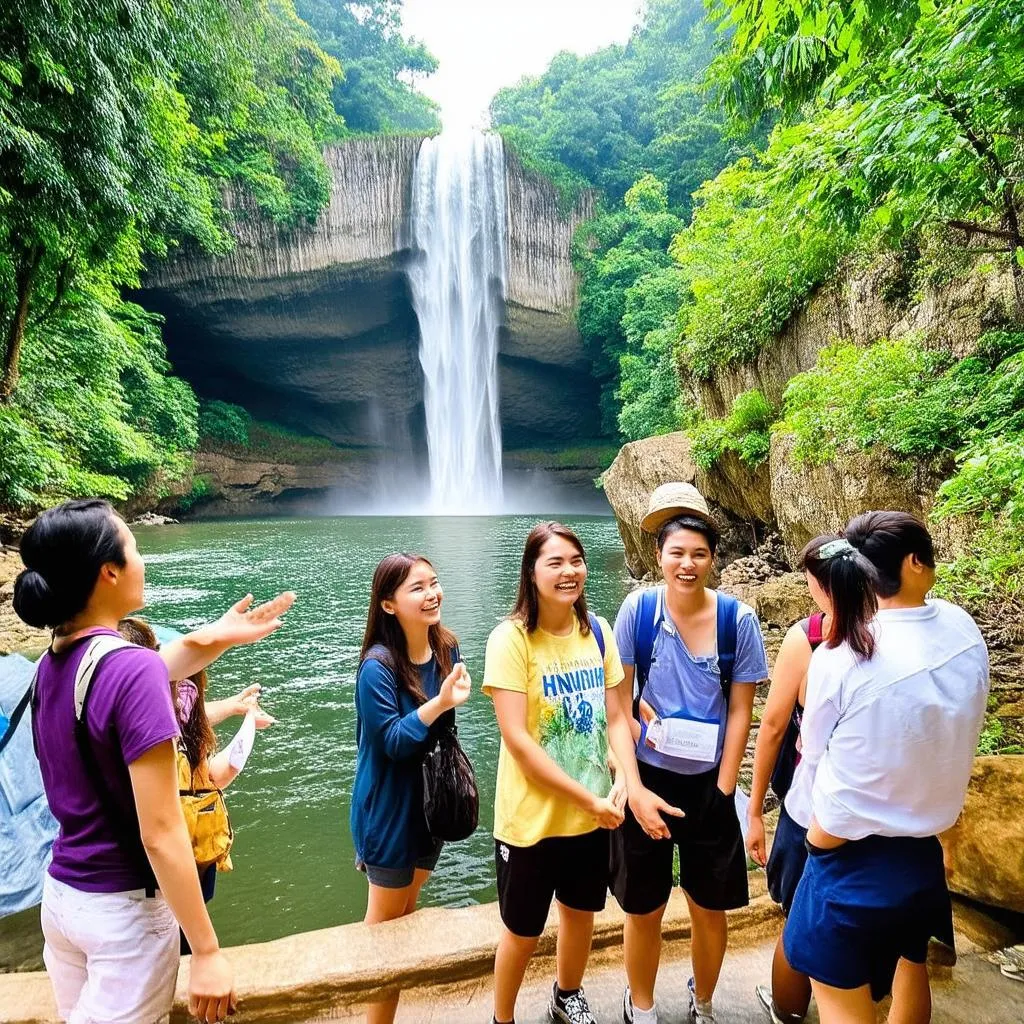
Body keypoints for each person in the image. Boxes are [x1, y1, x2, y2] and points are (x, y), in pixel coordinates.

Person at [12, 498, 293, 1024]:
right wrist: (206, 950)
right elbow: (160, 831)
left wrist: (214, 635)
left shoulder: (54, 661)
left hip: (65, 899)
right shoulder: (130, 668)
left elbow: (148, 669)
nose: (142, 559)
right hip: (124, 915)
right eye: (135, 547)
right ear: (109, 571)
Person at [783, 511, 990, 1024]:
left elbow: (813, 747)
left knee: (840, 1001)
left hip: (844, 860)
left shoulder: (843, 654)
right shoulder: (962, 628)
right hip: (921, 856)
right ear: (916, 563)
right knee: (909, 966)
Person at [484, 521, 677, 1024]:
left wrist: (622, 778)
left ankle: (566, 993)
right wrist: (588, 799)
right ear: (531, 572)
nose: (569, 572)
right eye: (555, 562)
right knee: (522, 929)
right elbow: (519, 741)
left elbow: (616, 718)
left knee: (580, 912)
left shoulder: (599, 632)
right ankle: (501, 1016)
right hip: (531, 819)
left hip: (594, 815)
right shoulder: (510, 640)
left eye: (576, 560)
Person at [611, 483, 769, 1024]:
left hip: (710, 784)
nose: (687, 563)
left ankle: (702, 1002)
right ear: (657, 557)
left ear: (713, 560)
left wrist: (724, 792)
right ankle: (643, 1005)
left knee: (709, 907)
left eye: (699, 554)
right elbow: (619, 707)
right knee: (645, 907)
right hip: (649, 776)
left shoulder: (738, 621)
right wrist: (633, 789)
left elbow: (743, 710)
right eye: (676, 553)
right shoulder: (637, 610)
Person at [745, 535, 878, 1024]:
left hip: (814, 812)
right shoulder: (891, 634)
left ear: (820, 588)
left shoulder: (812, 641)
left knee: (797, 921)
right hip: (877, 811)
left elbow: (778, 728)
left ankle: (789, 1012)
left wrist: (755, 809)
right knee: (855, 914)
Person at [351, 552, 472, 1024]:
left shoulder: (448, 648)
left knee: (406, 915)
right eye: (417, 588)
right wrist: (439, 703)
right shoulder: (376, 668)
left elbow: (443, 735)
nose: (431, 594)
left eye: (434, 583)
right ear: (387, 605)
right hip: (388, 813)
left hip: (430, 805)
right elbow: (395, 743)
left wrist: (444, 707)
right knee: (384, 933)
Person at [117, 617, 276, 949]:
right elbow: (222, 772)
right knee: (181, 954)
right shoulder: (173, 741)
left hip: (118, 880)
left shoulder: (116, 718)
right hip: (179, 870)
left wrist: (234, 706)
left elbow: (190, 711)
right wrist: (247, 723)